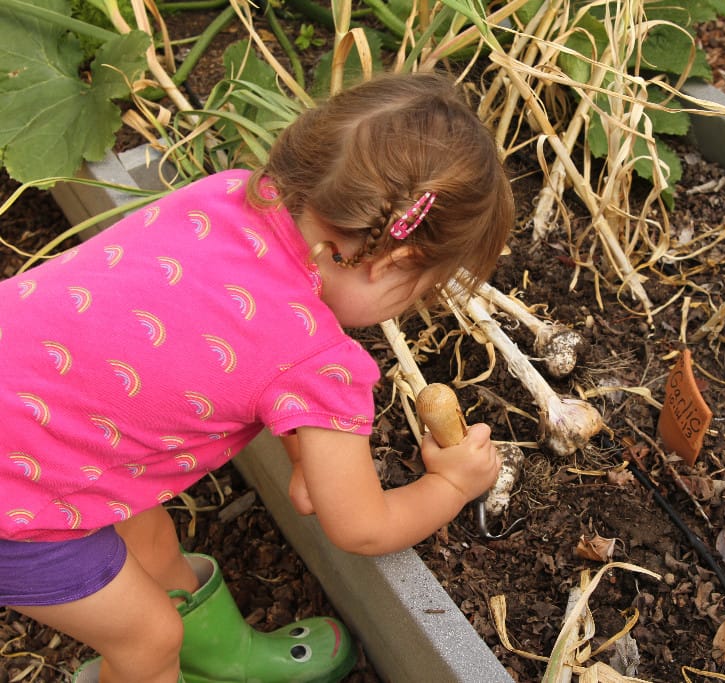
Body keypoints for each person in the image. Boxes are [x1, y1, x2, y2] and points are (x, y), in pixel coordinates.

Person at [0, 71, 514, 683]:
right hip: (17, 497)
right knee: (147, 640)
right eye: (420, 293)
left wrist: (302, 451)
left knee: (152, 538)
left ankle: (225, 658)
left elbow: (215, 341)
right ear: (394, 263)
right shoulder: (318, 365)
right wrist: (452, 486)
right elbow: (364, 527)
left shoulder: (223, 196)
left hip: (34, 420)